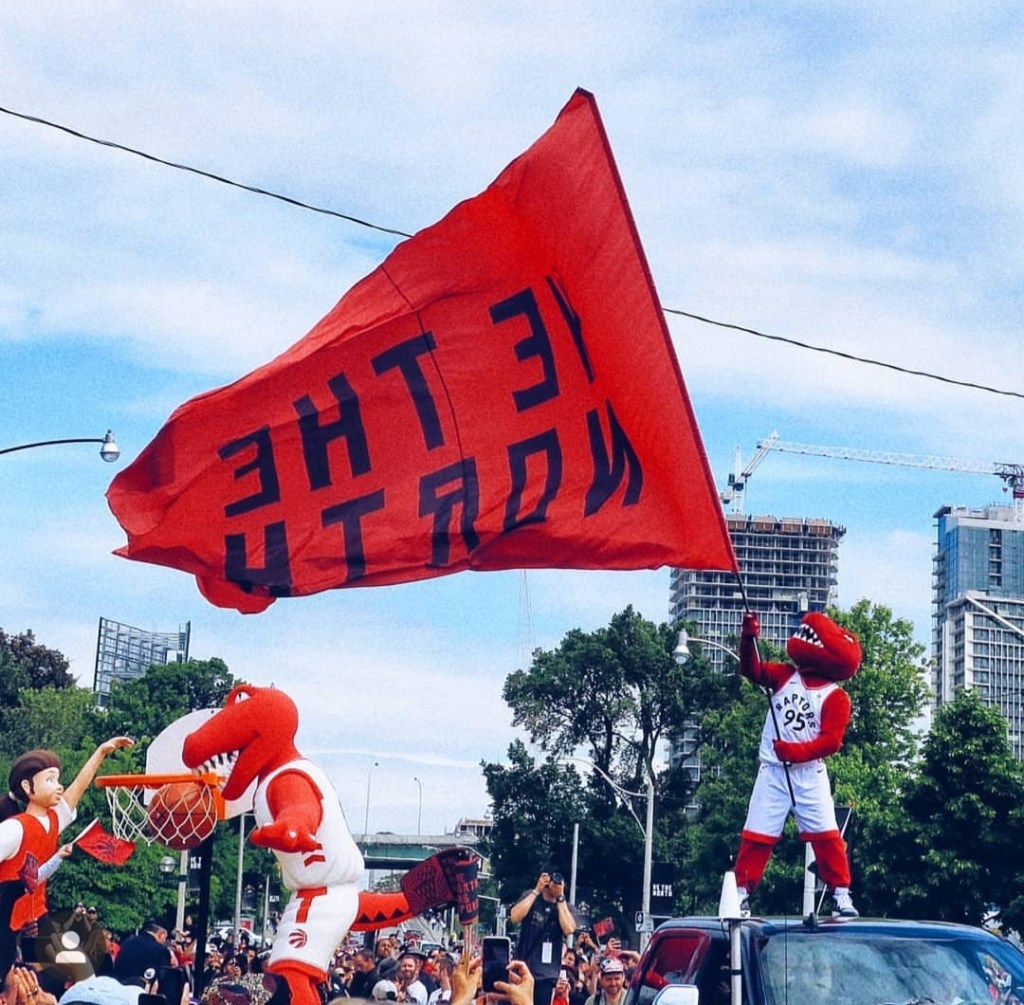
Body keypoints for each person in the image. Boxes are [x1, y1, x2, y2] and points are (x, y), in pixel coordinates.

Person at [731, 611, 861, 918]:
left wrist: (795, 751)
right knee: (757, 833)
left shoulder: (836, 697)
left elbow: (830, 742)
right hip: (773, 772)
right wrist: (748, 638)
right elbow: (751, 669)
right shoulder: (785, 676)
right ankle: (740, 892)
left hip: (809, 773)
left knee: (827, 835)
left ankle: (841, 894)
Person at [0, 738, 133, 979]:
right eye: (50, 780)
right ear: (27, 786)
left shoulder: (52, 820)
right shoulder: (14, 829)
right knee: (7, 977)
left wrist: (100, 753)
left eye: (58, 779)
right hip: (6, 916)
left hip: (34, 913)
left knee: (64, 973)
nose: (59, 786)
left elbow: (76, 790)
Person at [508, 867, 576, 1005]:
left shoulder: (564, 907)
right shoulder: (531, 896)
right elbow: (514, 916)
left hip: (546, 975)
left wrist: (560, 897)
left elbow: (569, 929)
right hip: (523, 968)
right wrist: (536, 890)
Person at [111, 921, 174, 987]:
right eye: (165, 938)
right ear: (160, 934)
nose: (164, 941)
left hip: (119, 986)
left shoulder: (127, 942)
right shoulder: (161, 950)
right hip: (143, 989)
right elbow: (163, 978)